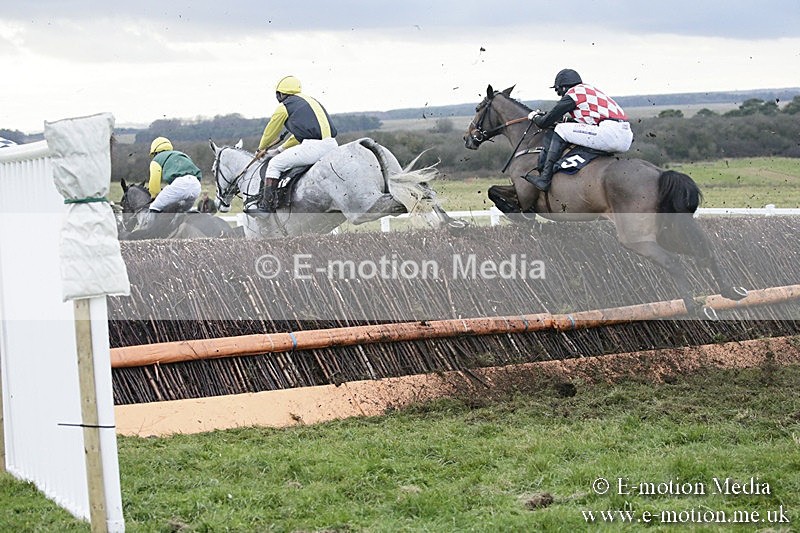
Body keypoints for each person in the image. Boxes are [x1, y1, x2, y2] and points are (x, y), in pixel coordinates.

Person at [525, 68, 633, 191]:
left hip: (609, 133)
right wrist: (566, 121)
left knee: (561, 129)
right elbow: (587, 122)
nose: (559, 94)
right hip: (624, 135)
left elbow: (544, 122)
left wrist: (534, 116)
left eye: (558, 90)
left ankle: (545, 178)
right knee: (565, 127)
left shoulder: (573, 93)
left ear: (563, 87)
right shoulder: (588, 90)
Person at [252, 75, 338, 212]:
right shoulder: (311, 101)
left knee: (275, 164)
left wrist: (261, 148)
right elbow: (299, 136)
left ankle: (266, 206)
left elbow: (270, 132)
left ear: (280, 94)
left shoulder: (285, 106)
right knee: (280, 158)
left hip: (314, 147)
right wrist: (280, 149)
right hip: (333, 145)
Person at [133, 136, 202, 235]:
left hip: (181, 183)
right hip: (196, 185)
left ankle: (148, 234)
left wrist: (154, 195)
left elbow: (154, 182)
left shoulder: (157, 159)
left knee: (155, 207)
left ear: (155, 152)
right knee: (182, 211)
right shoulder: (183, 155)